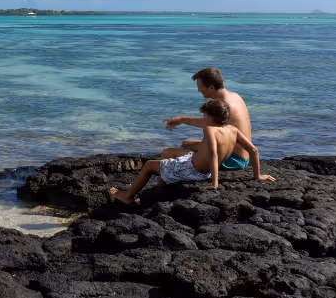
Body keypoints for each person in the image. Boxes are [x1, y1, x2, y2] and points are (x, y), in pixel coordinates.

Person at [109, 99, 274, 204]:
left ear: (210, 117)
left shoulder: (210, 130)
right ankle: (159, 192)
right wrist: (258, 176)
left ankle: (127, 196)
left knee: (149, 166)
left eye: (204, 115)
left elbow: (215, 155)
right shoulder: (233, 130)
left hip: (191, 170)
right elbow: (253, 150)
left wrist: (215, 184)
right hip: (203, 172)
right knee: (173, 158)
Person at [163, 67, 253, 171]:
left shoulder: (225, 105)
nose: (198, 90)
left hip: (232, 160)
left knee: (169, 153)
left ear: (210, 87)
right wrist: (181, 120)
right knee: (186, 142)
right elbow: (211, 124)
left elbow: (208, 124)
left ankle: (165, 182)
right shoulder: (235, 96)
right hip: (243, 157)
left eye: (200, 87)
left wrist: (199, 147)